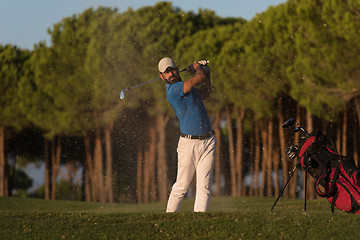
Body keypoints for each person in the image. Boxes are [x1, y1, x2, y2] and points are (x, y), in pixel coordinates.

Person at [158, 57, 216, 212]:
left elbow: (206, 93)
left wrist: (207, 74)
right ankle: (169, 220)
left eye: (172, 69)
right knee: (182, 186)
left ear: (177, 69)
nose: (170, 73)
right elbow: (199, 78)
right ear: (162, 76)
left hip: (208, 140)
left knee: (204, 187)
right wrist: (198, 68)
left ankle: (199, 222)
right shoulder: (173, 90)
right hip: (189, 144)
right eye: (166, 72)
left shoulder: (187, 88)